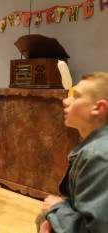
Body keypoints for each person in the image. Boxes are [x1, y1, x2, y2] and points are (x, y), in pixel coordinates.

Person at [36, 72, 108, 233]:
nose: (65, 100)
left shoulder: (99, 156)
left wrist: (57, 209)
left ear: (98, 107)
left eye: (76, 96)